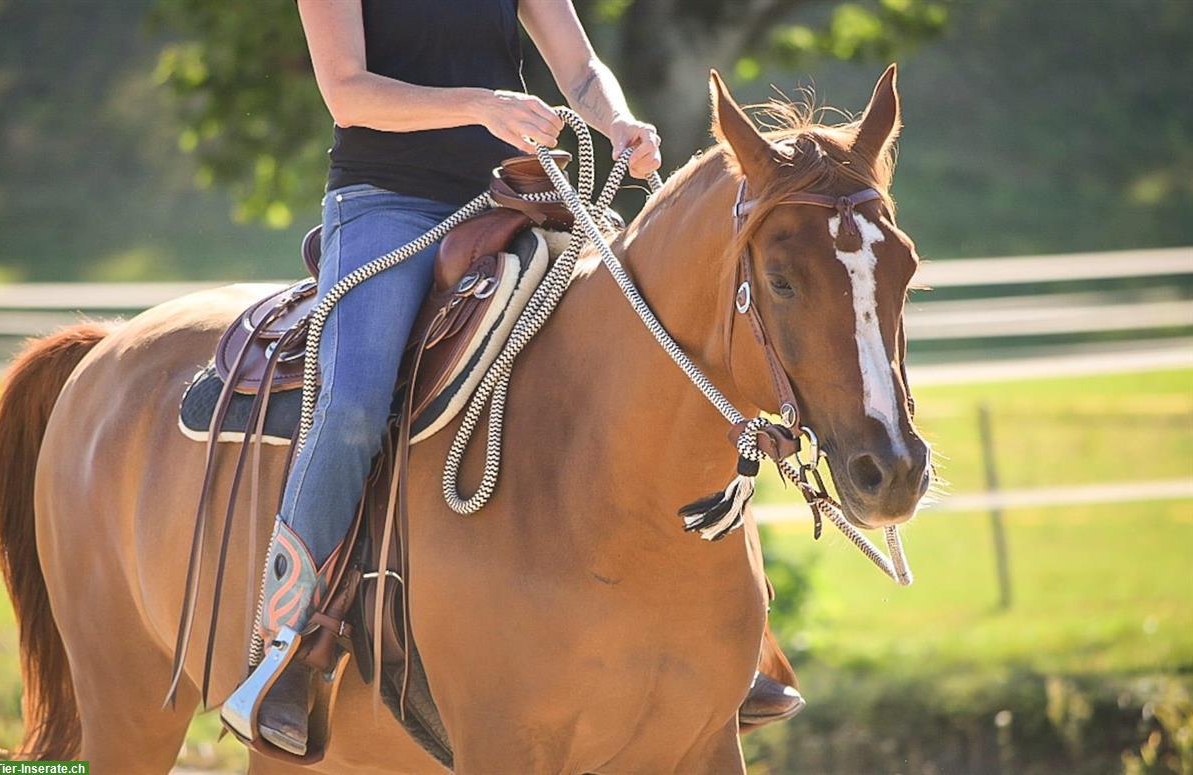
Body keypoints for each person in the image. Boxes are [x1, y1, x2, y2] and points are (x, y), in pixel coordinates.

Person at [241, 0, 793, 756]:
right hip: (386, 205)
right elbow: (348, 91)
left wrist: (618, 121)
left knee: (648, 352)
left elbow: (579, 67)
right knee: (353, 409)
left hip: (514, 195)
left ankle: (729, 638)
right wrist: (481, 104)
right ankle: (290, 642)